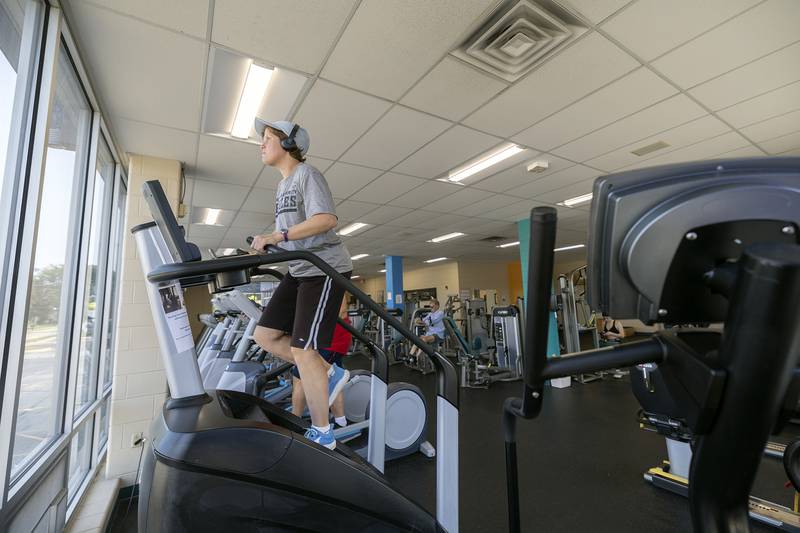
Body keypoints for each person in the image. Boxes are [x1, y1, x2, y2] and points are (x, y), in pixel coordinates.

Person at [250, 119, 352, 450]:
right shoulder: (282, 187)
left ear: (289, 143)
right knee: (263, 335)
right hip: (300, 269)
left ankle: (324, 432)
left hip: (324, 269)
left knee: (301, 349)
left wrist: (278, 235)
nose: (261, 144)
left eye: (267, 138)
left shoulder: (309, 175)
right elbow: (295, 238)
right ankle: (330, 373)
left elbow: (326, 220)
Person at [291, 299, 352, 428]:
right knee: (300, 378)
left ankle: (295, 422)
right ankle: (340, 421)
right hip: (319, 341)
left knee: (303, 378)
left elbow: (341, 311)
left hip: (332, 342)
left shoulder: (333, 284)